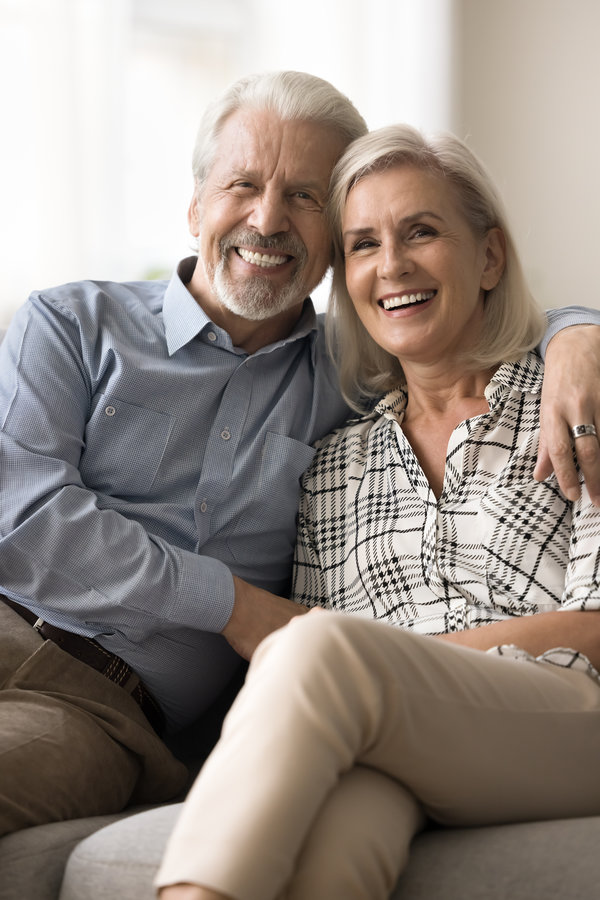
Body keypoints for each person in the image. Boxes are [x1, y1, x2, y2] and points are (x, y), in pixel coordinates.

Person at [0, 72, 598, 836]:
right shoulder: (73, 324)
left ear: (330, 241)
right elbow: (24, 517)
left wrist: (580, 334)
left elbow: (463, 313)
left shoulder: (352, 386)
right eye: (242, 184)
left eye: (306, 198)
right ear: (194, 208)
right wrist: (234, 605)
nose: (267, 219)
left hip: (98, 703)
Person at [155, 125, 600, 900]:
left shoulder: (572, 400)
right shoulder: (332, 465)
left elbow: (595, 625)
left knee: (323, 648)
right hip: (403, 737)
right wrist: (382, 678)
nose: (391, 265)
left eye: (420, 232)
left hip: (569, 718)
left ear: (488, 256)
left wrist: (389, 667)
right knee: (332, 837)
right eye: (362, 245)